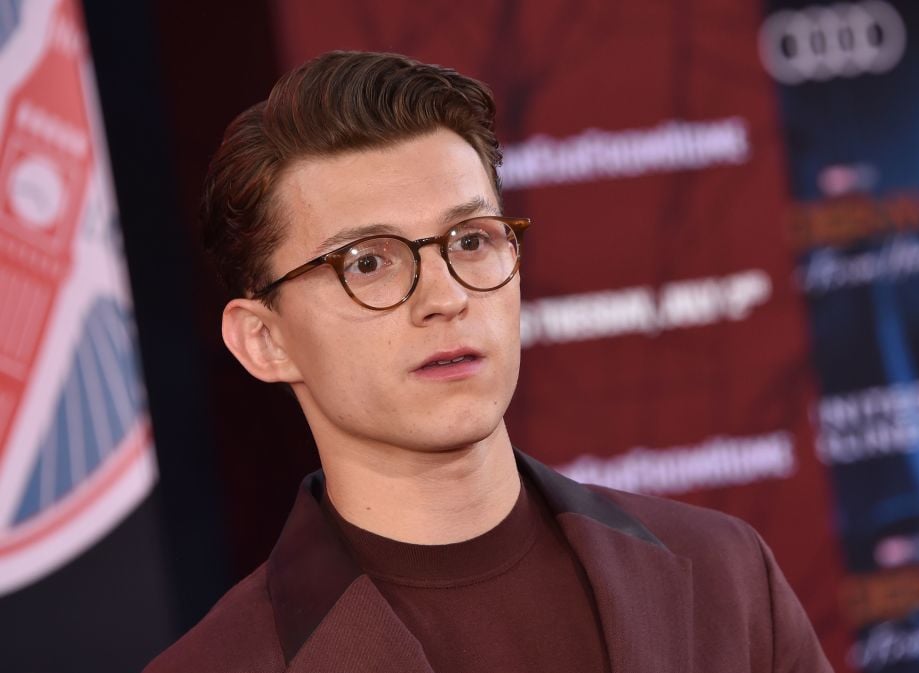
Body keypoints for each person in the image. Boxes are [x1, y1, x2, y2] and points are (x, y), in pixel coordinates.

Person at [145, 50, 833, 673]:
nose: (445, 298)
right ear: (265, 340)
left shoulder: (727, 575)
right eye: (368, 262)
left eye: (470, 240)